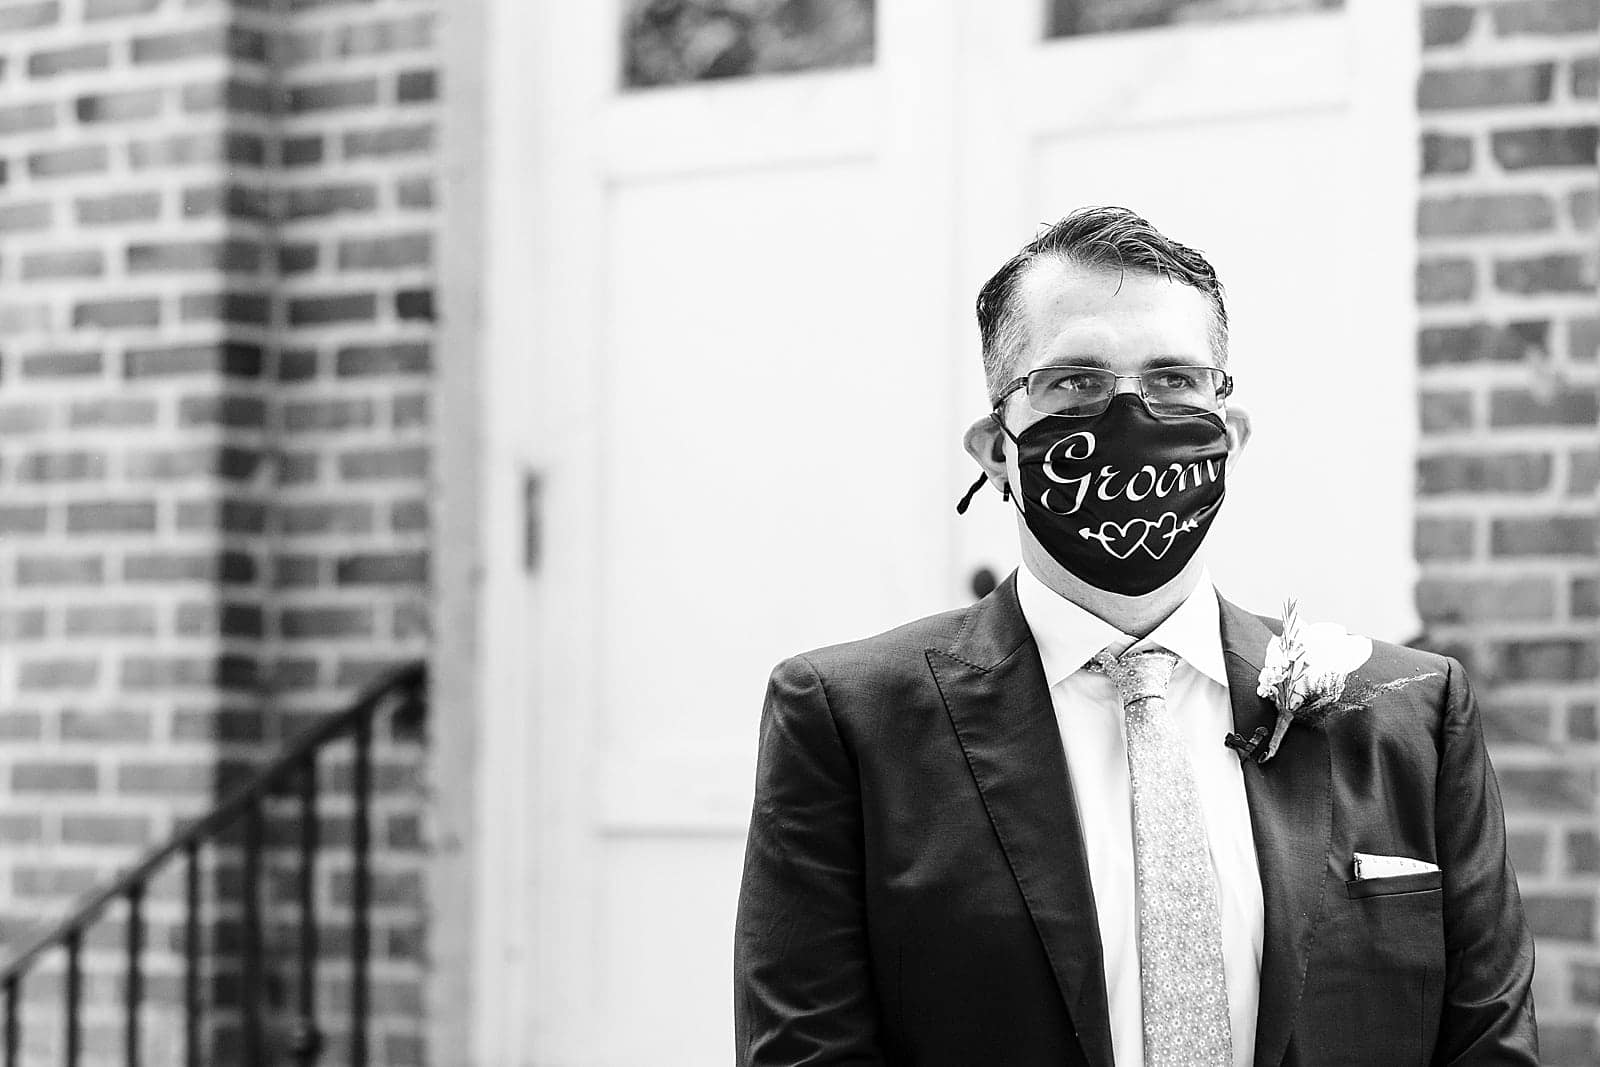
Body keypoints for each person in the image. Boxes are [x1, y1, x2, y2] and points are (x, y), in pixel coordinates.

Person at [732, 207, 1538, 1066]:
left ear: (1229, 433)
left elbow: (1488, 1041)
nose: (1130, 414)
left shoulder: (1410, 712)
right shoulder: (847, 722)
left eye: (1173, 380)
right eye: (1074, 381)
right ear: (995, 451)